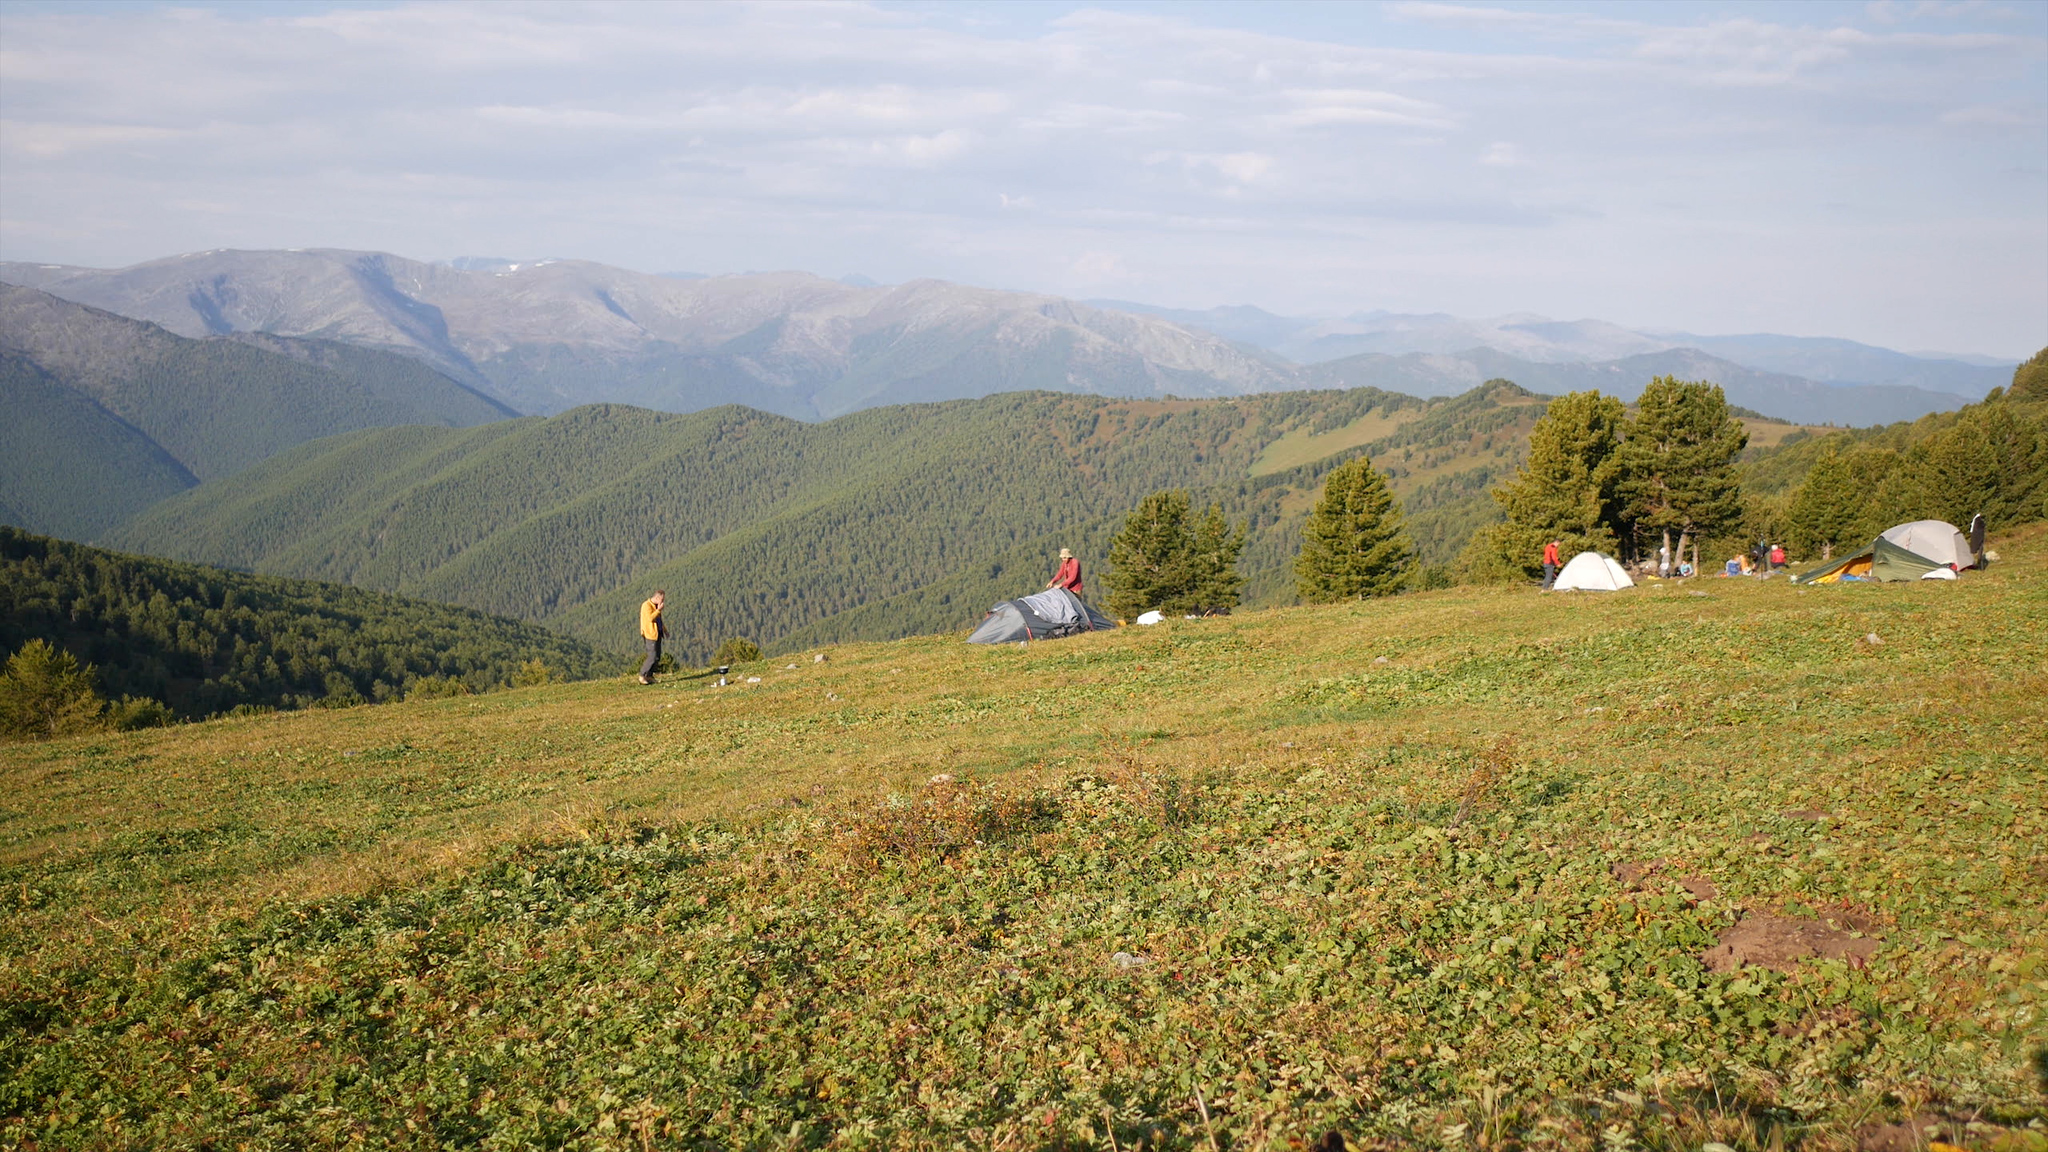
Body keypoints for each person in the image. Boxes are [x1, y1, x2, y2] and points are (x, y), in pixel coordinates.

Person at [637, 589, 667, 685]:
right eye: (661, 599)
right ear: (657, 597)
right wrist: (658, 610)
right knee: (652, 656)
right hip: (650, 634)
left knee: (657, 656)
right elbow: (650, 618)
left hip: (657, 633)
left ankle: (649, 676)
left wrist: (664, 630)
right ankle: (642, 675)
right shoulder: (646, 605)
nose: (662, 601)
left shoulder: (655, 606)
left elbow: (658, 619)